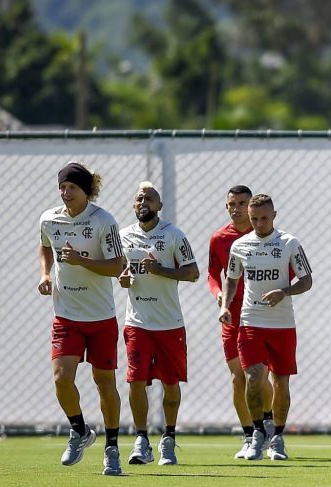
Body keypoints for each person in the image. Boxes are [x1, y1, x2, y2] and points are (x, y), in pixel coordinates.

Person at [38, 162, 125, 475]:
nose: (65, 192)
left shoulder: (103, 221)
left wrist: (80, 260)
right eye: (62, 187)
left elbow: (117, 266)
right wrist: (45, 274)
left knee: (104, 382)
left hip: (101, 317)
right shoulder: (49, 218)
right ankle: (79, 431)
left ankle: (112, 448)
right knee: (61, 379)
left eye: (72, 187)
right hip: (66, 314)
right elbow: (45, 246)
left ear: (86, 190)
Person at [219, 194, 313, 461]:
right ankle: (258, 433)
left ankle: (278, 438)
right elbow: (232, 280)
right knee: (252, 377)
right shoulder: (240, 245)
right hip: (251, 321)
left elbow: (306, 280)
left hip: (282, 324)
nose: (259, 223)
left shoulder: (289, 243)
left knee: (280, 382)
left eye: (264, 218)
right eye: (254, 219)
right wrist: (225, 306)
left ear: (274, 215)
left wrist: (284, 291)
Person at [118, 182, 200, 466]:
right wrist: (122, 278)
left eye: (150, 199)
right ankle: (141, 439)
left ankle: (168, 438)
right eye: (139, 198)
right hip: (137, 322)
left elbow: (193, 272)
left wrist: (160, 269)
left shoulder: (174, 234)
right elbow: (118, 269)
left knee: (170, 383)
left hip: (169, 323)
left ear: (159, 206)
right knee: (135, 381)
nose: (144, 202)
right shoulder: (123, 236)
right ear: (134, 205)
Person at [208, 185, 275, 458]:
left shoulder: (268, 237)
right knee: (239, 379)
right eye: (232, 204)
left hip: (262, 314)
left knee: (260, 376)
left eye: (242, 203)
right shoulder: (219, 238)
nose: (236, 209)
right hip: (232, 314)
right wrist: (219, 294)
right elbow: (213, 274)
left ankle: (268, 425)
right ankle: (250, 435)